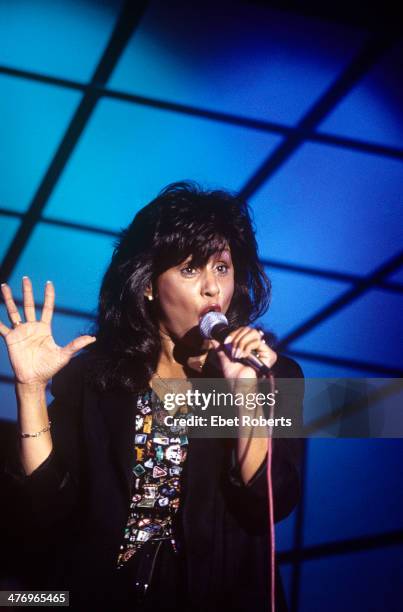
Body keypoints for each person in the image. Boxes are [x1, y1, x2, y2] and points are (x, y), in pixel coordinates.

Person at [1, 181, 304, 612]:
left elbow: (271, 503)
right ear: (147, 284)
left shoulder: (271, 374)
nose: (211, 289)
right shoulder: (97, 378)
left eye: (221, 268)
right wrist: (30, 391)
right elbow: (46, 504)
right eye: (190, 270)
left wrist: (244, 397)